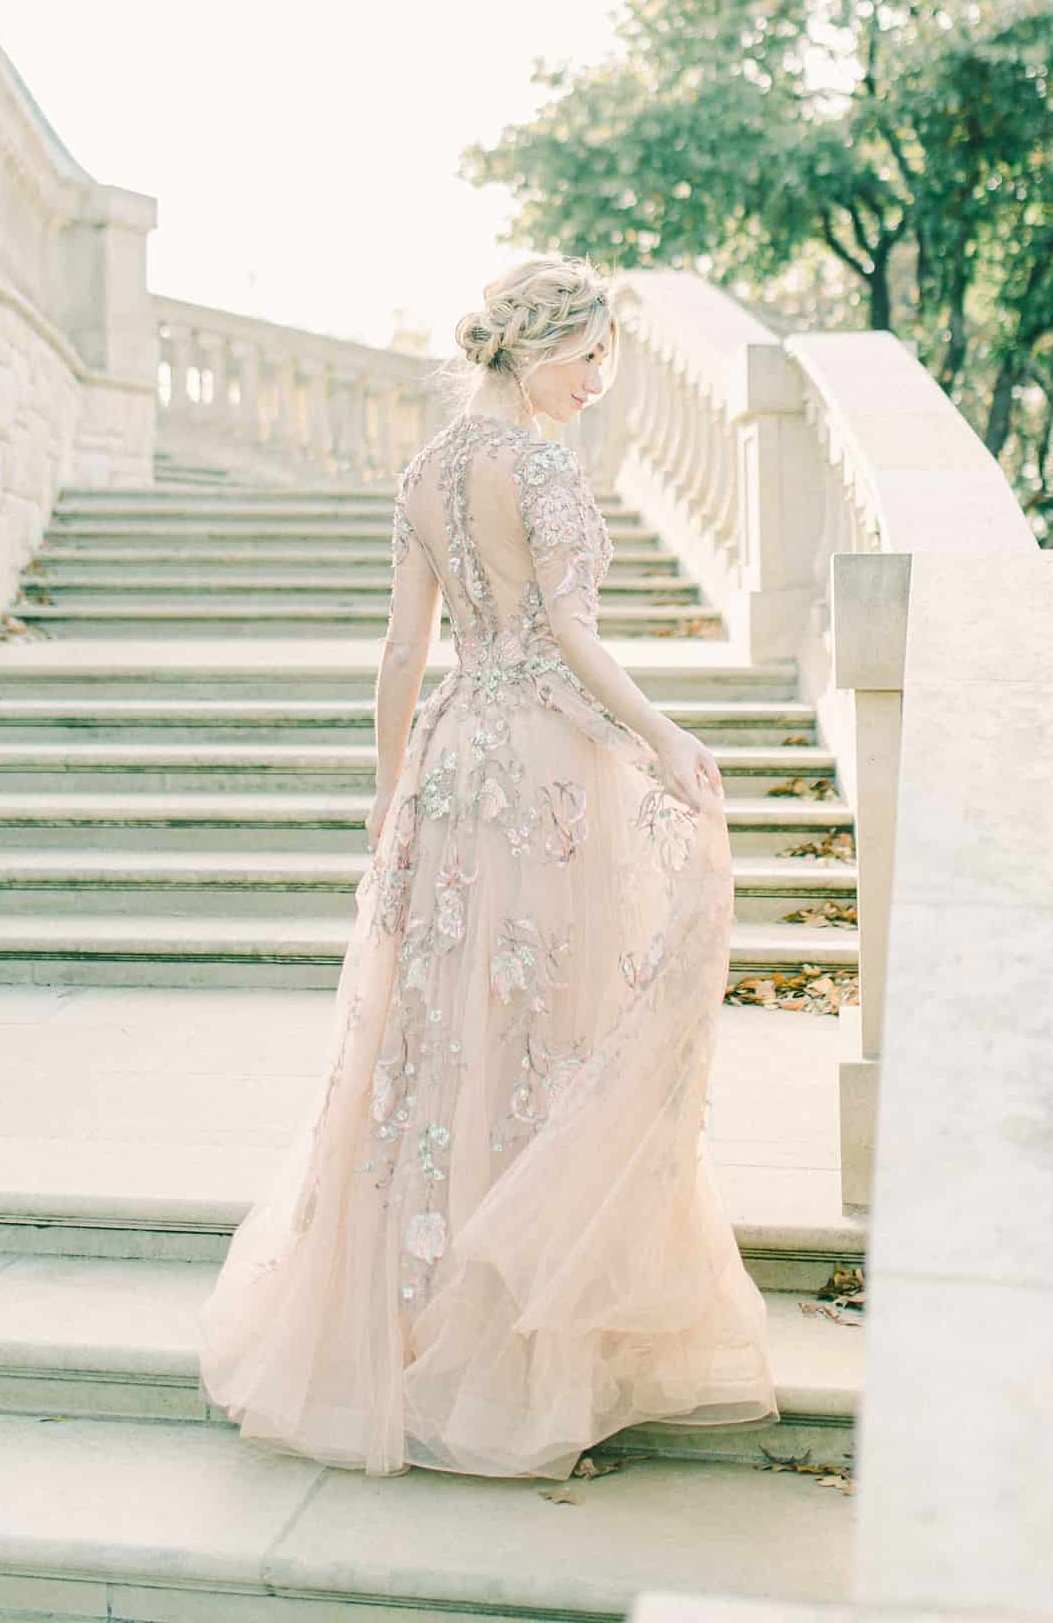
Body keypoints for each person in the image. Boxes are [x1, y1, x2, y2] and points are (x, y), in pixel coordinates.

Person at [196, 253, 779, 1477]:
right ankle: (520, 1354)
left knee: (440, 1042)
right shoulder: (543, 465)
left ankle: (413, 1323)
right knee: (540, 1036)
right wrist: (663, 736)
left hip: (456, 758)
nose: (599, 377)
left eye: (607, 354)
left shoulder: (424, 472)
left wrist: (386, 782)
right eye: (587, 354)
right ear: (531, 349)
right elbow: (567, 637)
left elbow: (402, 654)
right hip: (544, 769)